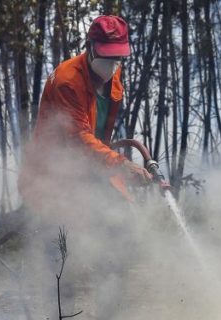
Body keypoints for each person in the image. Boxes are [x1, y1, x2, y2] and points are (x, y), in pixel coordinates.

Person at [18, 15, 153, 224]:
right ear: (89, 46)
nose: (112, 64)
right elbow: (78, 138)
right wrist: (120, 164)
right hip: (55, 176)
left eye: (116, 57)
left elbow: (95, 135)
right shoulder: (67, 81)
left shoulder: (114, 75)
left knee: (124, 225)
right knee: (63, 242)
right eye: (106, 56)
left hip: (92, 166)